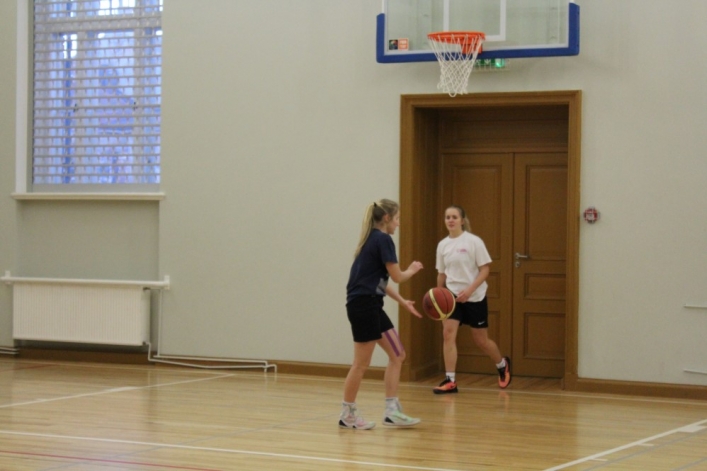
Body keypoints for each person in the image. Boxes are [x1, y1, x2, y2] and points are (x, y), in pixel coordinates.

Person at [340, 199, 424, 429]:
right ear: (387, 219)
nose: (398, 224)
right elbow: (397, 276)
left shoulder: (372, 239)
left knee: (398, 354)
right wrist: (412, 270)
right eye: (397, 219)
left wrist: (402, 302)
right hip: (363, 306)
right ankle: (347, 414)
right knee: (361, 364)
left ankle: (391, 411)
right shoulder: (383, 239)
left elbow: (380, 282)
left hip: (372, 305)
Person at [432, 205, 511, 394]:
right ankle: (450, 381)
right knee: (448, 334)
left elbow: (485, 269)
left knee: (481, 340)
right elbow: (442, 273)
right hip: (451, 297)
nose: (450, 220)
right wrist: (439, 296)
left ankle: (502, 364)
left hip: (475, 296)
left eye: (454, 217)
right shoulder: (442, 245)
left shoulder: (474, 242)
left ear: (462, 220)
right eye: (447, 217)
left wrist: (469, 290)